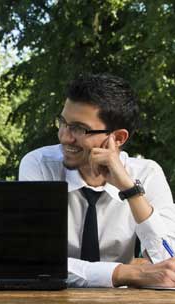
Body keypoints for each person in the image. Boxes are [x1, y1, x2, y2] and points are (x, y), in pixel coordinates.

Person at [19, 73, 175, 288]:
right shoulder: (39, 165)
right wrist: (123, 273)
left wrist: (130, 190)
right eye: (63, 122)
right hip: (50, 303)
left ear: (118, 138)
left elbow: (168, 263)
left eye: (79, 129)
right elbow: (34, 261)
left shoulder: (147, 173)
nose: (65, 137)